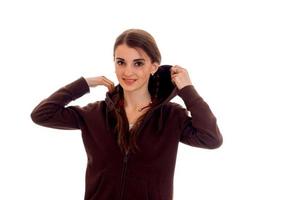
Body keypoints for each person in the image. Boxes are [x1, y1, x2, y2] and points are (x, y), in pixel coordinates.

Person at [31, 29, 223, 200]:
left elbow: (211, 138)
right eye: (121, 62)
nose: (128, 71)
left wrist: (187, 89)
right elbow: (42, 114)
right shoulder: (95, 114)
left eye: (138, 63)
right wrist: (84, 83)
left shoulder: (171, 117)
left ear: (153, 67)